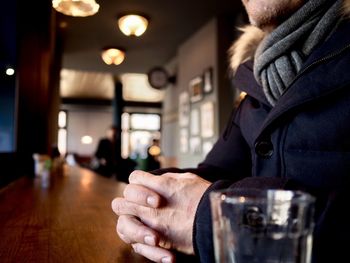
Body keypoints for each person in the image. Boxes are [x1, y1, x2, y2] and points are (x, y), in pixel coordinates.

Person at [111, 0, 350, 262]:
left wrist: (214, 218)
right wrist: (150, 198)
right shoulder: (253, 86)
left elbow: (205, 203)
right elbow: (217, 171)